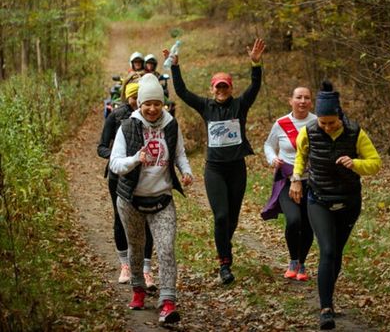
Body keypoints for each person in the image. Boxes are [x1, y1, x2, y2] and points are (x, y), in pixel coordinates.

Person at [169, 38, 266, 284]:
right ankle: (225, 263)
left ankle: (224, 241)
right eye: (217, 87)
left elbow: (255, 87)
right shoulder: (206, 106)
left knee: (232, 218)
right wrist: (175, 66)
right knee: (221, 216)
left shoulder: (240, 106)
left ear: (231, 89)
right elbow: (181, 92)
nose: (221, 91)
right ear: (212, 89)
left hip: (237, 169)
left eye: (225, 87)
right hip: (214, 170)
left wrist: (256, 64)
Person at [289, 80, 381, 330]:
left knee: (336, 253)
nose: (327, 127)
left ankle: (328, 291)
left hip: (349, 201)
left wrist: (356, 163)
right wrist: (296, 179)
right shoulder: (308, 131)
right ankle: (326, 308)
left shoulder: (356, 132)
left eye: (332, 122)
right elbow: (300, 157)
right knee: (327, 250)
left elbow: (375, 162)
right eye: (323, 123)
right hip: (318, 199)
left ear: (339, 115)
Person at [109, 73, 194, 325]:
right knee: (136, 247)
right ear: (139, 104)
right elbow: (115, 163)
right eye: (148, 103)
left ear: (163, 103)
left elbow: (179, 154)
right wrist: (136, 159)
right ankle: (138, 290)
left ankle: (168, 303)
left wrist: (186, 171)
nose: (153, 108)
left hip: (162, 198)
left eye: (157, 103)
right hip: (130, 200)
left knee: (166, 248)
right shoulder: (128, 126)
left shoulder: (171, 125)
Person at [97, 82, 157, 290]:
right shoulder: (117, 116)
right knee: (120, 220)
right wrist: (117, 157)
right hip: (119, 176)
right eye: (133, 98)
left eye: (138, 98)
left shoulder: (153, 116)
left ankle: (146, 270)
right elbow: (102, 147)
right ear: (128, 97)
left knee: (147, 220)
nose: (136, 102)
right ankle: (125, 266)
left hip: (146, 176)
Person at [262, 87, 317, 281]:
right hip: (287, 180)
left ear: (311, 101)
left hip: (311, 181)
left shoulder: (317, 122)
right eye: (298, 97)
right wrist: (272, 158)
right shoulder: (281, 123)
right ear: (290, 100)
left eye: (306, 98)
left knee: (308, 223)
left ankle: (302, 263)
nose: (302, 101)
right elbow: (268, 144)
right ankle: (293, 260)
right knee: (294, 220)